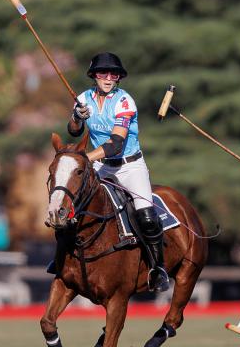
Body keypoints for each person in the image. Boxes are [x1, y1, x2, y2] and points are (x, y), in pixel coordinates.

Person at [51, 52, 169, 292]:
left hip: (129, 165)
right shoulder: (84, 98)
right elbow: (74, 131)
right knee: (70, 206)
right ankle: (61, 259)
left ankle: (158, 268)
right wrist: (76, 117)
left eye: (113, 74)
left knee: (146, 214)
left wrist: (82, 158)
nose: (108, 77)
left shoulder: (125, 101)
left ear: (118, 78)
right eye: (103, 73)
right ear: (94, 75)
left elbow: (116, 144)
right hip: (99, 164)